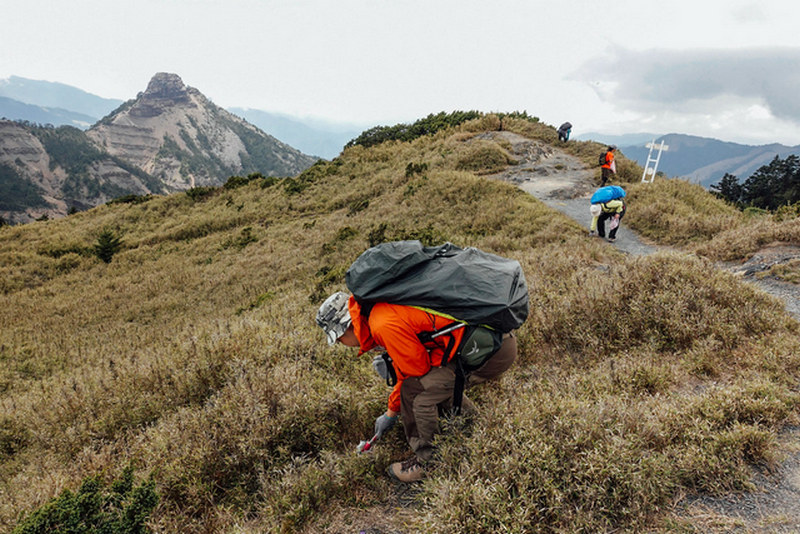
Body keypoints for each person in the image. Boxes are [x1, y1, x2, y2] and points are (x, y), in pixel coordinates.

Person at [316, 291, 518, 483]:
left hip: (489, 351)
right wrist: (391, 410)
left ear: (347, 326)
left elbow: (415, 372)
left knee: (414, 393)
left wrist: (391, 413)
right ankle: (472, 425)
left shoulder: (382, 323)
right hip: (493, 340)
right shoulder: (379, 311)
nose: (343, 344)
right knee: (432, 383)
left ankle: (428, 462)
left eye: (339, 338)